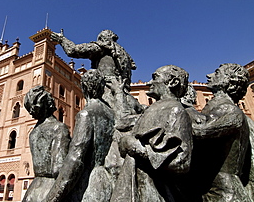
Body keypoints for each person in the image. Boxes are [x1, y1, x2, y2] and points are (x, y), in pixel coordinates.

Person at [117, 65, 193, 201]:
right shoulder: (151, 110)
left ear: (172, 82)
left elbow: (182, 162)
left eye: (155, 77)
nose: (149, 83)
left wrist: (138, 148)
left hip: (158, 192)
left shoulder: (176, 111)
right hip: (136, 186)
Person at [44, 69, 115, 202]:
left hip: (88, 184)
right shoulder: (111, 114)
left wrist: (51, 197)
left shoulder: (86, 114)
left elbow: (75, 159)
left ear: (84, 88)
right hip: (106, 180)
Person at [190, 63, 250, 201]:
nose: (209, 75)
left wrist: (180, 108)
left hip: (224, 194)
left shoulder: (229, 110)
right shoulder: (218, 109)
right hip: (211, 190)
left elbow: (200, 131)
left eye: (217, 73)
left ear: (230, 81)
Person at [22, 86, 71, 202]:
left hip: (32, 191)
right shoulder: (59, 128)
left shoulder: (33, 133)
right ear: (49, 103)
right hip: (49, 189)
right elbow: (58, 168)